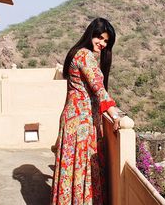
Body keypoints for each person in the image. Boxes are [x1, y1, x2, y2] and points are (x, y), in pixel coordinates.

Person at [51, 17, 120, 205]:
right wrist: (115, 114)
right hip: (80, 124)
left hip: (76, 121)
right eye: (100, 37)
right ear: (91, 34)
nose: (103, 43)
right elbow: (98, 88)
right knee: (80, 172)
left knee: (74, 173)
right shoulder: (84, 55)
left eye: (106, 41)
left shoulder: (79, 53)